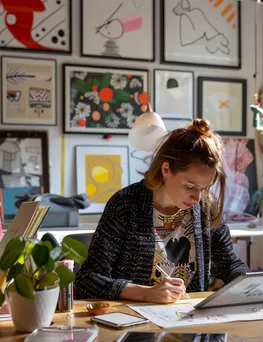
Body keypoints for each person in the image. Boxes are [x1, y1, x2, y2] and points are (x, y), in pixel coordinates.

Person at [75, 119, 249, 304]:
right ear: (166, 169)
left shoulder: (206, 207)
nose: (197, 197)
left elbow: (229, 265)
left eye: (204, 188)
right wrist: (145, 293)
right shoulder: (125, 204)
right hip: (133, 322)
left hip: (187, 323)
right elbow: (88, 279)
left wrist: (255, 284)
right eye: (189, 186)